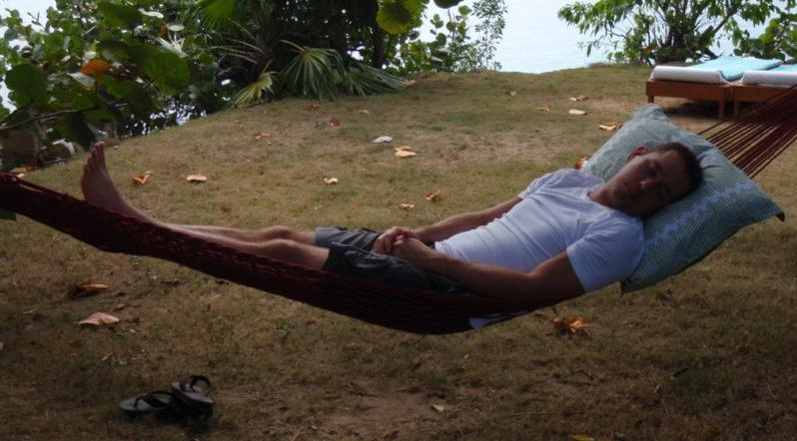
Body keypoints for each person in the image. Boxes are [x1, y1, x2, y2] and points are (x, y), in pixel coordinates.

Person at [80, 141, 701, 312]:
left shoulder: (620, 239)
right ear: (634, 156)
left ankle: (134, 227)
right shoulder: (566, 180)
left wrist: (434, 263)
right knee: (281, 235)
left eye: (664, 191)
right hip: (428, 256)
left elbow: (535, 289)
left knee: (285, 257)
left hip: (450, 290)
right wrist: (420, 235)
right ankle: (141, 223)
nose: (649, 186)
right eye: (651, 170)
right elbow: (485, 217)